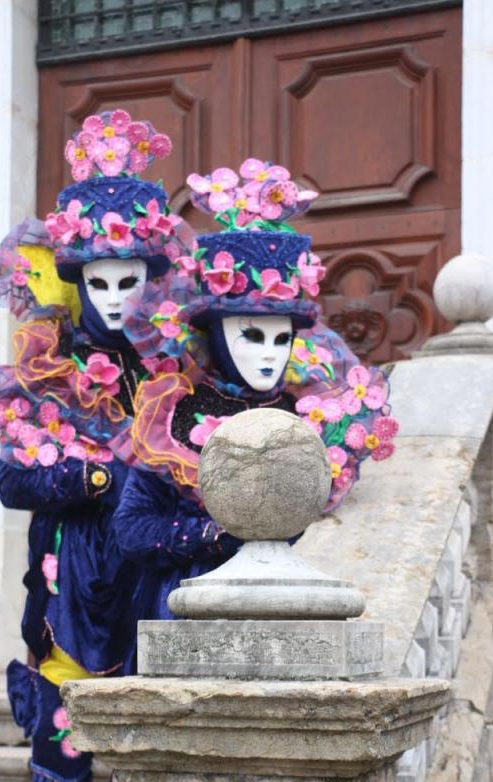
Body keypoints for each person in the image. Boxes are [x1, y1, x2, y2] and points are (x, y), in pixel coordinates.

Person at [0, 110, 191, 782]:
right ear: (78, 279)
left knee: (143, 728)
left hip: (153, 568)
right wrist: (104, 472)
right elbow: (11, 478)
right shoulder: (50, 370)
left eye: (129, 281)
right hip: (72, 569)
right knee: (65, 725)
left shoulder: (179, 364)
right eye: (99, 282)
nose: (115, 299)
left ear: (151, 278)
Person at [112, 158, 399, 619]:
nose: (270, 354)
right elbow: (132, 529)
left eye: (281, 338)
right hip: (187, 613)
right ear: (215, 336)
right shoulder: (175, 415)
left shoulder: (311, 417)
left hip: (292, 614)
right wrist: (213, 534)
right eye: (252, 336)